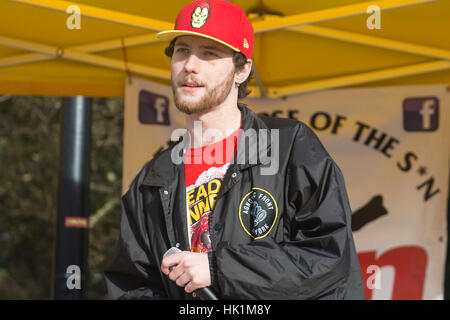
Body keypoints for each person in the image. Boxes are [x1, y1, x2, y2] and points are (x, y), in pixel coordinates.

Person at [104, 0, 365, 300]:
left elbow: (327, 258)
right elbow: (132, 285)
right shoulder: (153, 181)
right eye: (182, 50)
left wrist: (218, 269)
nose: (190, 65)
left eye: (209, 54)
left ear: (242, 70)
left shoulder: (290, 147)